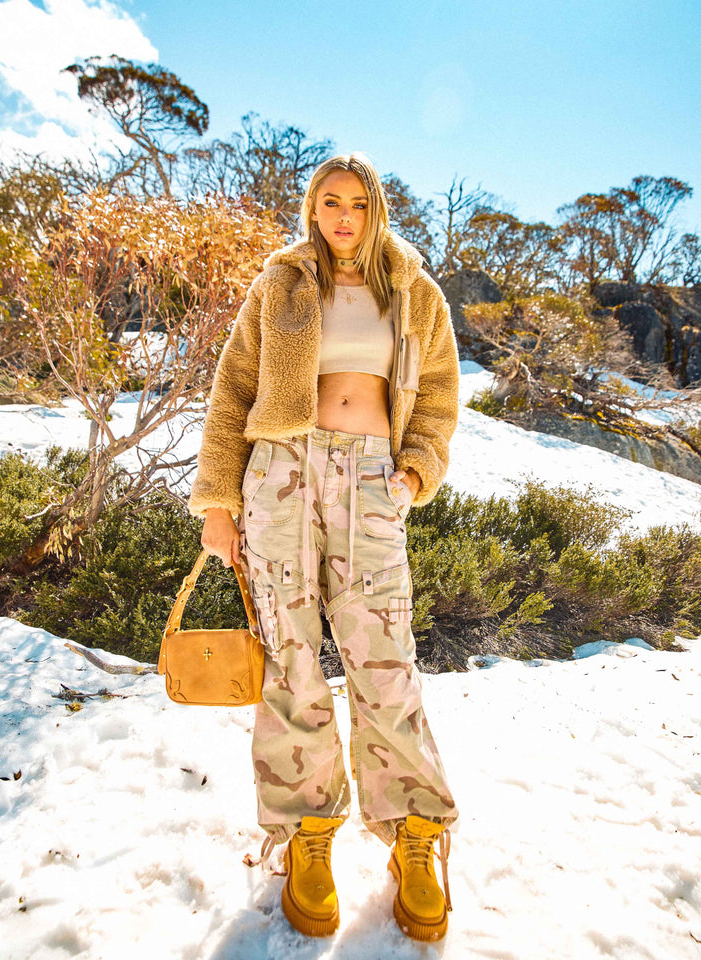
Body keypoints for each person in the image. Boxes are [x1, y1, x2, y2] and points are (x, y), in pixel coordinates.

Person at [188, 153, 459, 942]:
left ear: (377, 211)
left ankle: (415, 833)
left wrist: (415, 470)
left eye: (358, 204)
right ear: (313, 208)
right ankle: (307, 832)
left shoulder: (413, 291)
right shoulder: (279, 285)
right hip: (280, 474)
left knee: (386, 659)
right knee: (289, 656)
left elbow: (439, 393)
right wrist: (217, 501)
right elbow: (233, 390)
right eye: (330, 202)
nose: (344, 216)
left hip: (371, 477)